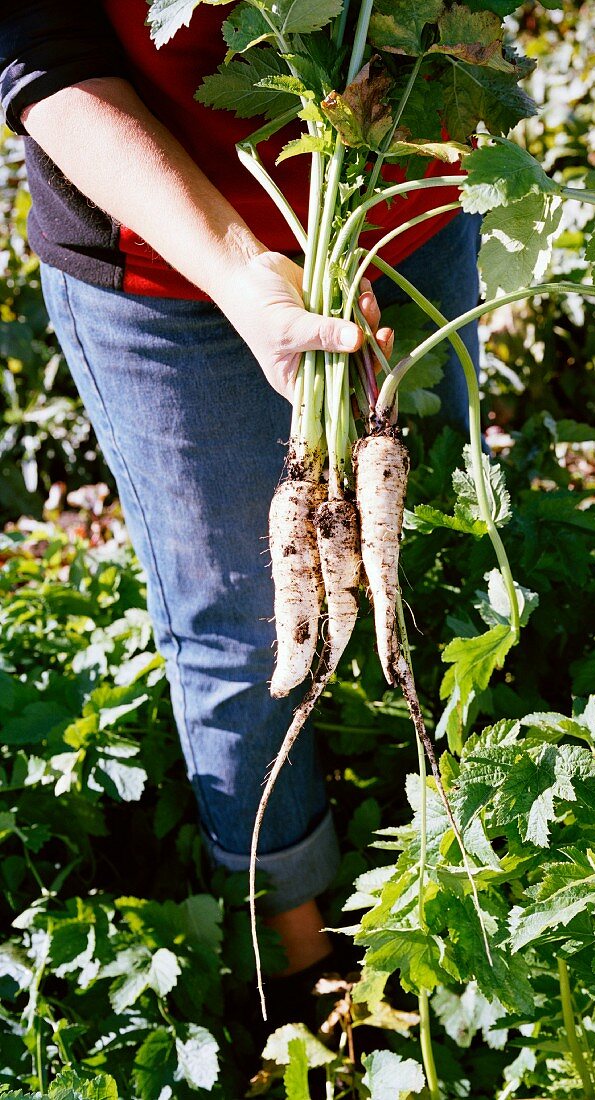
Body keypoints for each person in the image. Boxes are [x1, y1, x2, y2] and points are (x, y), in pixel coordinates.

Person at [0, 0, 481, 1015]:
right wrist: (228, 266)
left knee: (438, 554)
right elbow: (34, 44)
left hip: (408, 203)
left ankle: (460, 872)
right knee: (240, 626)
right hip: (166, 260)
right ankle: (302, 970)